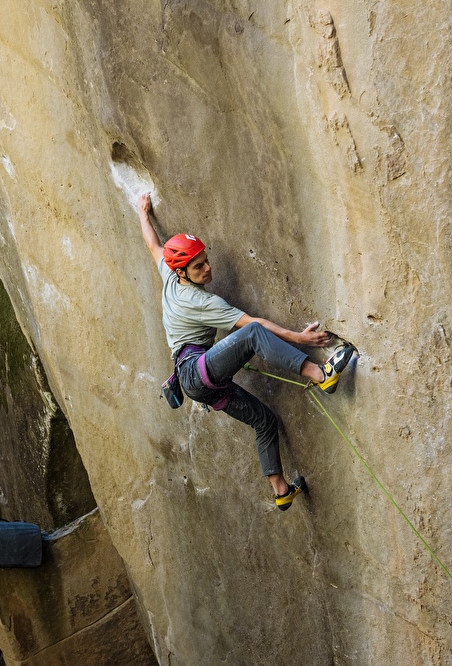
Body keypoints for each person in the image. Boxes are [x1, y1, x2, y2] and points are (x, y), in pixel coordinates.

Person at [136, 192, 354, 510]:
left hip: (199, 382)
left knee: (264, 421)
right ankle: (320, 374)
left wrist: (143, 214)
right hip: (197, 371)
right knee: (252, 334)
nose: (208, 269)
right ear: (183, 271)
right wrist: (300, 338)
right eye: (199, 267)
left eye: (206, 260)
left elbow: (153, 246)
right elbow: (253, 325)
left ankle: (281, 490)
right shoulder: (201, 301)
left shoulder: (170, 276)